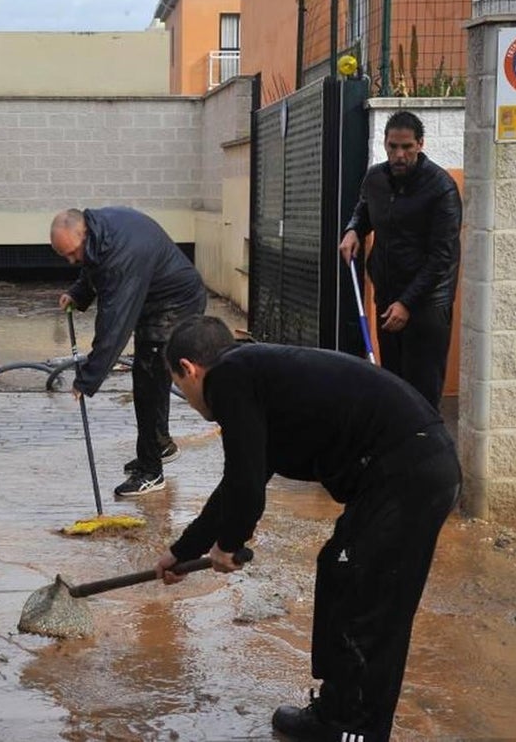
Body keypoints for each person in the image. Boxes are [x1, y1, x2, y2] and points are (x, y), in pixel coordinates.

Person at [155, 315, 461, 742]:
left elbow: (245, 485)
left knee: (365, 600)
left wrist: (228, 545)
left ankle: (353, 730)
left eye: (179, 387)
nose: (188, 399)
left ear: (188, 369)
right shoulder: (256, 375)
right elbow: (244, 480)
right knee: (342, 575)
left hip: (405, 471)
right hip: (414, 468)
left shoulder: (228, 379)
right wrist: (186, 550)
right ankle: (336, 715)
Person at [49, 207, 206, 497]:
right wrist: (79, 292)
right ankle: (159, 445)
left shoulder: (121, 255)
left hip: (174, 305)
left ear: (83, 233)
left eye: (72, 253)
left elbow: (114, 325)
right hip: (156, 299)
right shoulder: (99, 232)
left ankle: (151, 471)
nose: (72, 261)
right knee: (150, 378)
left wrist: (88, 378)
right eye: (66, 256)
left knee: (148, 381)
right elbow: (94, 265)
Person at [339, 110, 462, 410]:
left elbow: (442, 257)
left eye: (407, 147)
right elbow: (365, 209)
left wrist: (407, 303)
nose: (399, 155)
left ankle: (427, 449)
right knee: (393, 385)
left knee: (421, 391)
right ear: (385, 144)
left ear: (420, 144)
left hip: (427, 303)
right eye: (393, 147)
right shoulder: (376, 178)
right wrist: (353, 230)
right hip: (388, 294)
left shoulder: (441, 188)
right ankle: (397, 451)